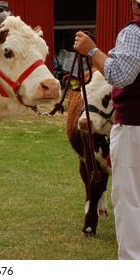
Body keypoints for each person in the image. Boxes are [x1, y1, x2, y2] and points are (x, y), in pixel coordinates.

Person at [74, 0, 140, 260]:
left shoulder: (134, 32)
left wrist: (92, 51)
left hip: (135, 127)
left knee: (130, 200)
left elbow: (120, 74)